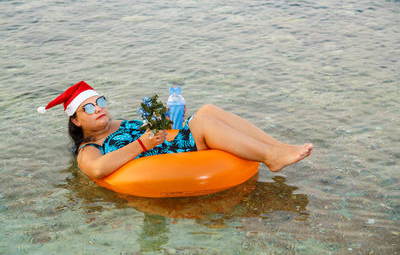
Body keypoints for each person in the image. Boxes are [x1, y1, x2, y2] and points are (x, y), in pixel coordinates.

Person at [38, 81, 313, 179]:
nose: (98, 108)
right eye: (88, 108)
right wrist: (142, 144)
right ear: (75, 120)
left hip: (172, 141)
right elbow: (97, 170)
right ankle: (270, 157)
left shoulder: (120, 123)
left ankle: (279, 148)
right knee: (203, 123)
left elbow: (157, 133)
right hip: (169, 155)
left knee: (207, 110)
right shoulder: (89, 149)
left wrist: (167, 121)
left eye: (100, 102)